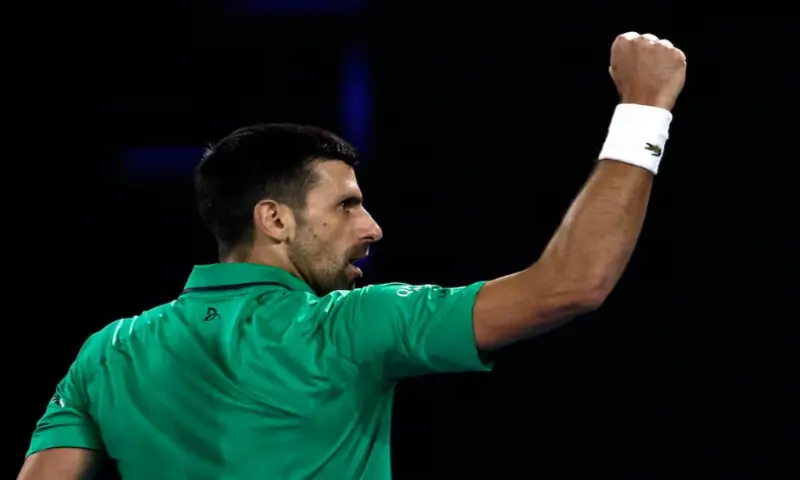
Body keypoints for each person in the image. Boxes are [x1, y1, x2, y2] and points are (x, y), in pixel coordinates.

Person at [20, 32, 686, 479]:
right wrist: (646, 108)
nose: (372, 227)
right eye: (346, 205)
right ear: (273, 219)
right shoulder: (349, 326)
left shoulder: (106, 352)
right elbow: (573, 284)